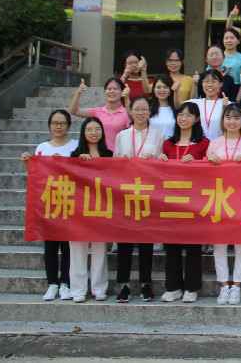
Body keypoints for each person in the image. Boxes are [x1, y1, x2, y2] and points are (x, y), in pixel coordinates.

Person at [20, 109, 78, 301]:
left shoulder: (75, 146)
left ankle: (66, 283)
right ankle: (52, 283)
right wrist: (27, 163)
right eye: (55, 123)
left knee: (68, 246)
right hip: (48, 202)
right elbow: (35, 174)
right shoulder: (42, 147)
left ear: (68, 126)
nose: (58, 126)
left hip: (70, 201)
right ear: (49, 126)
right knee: (50, 245)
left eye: (62, 123)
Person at [112, 96, 163, 303]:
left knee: (146, 241)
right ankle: (123, 284)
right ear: (130, 112)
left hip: (148, 192)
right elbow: (114, 163)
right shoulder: (122, 135)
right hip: (125, 193)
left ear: (149, 112)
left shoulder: (158, 134)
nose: (141, 113)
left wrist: (155, 160)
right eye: (137, 109)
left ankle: (145, 283)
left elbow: (162, 163)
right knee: (124, 241)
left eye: (144, 109)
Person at [158, 102, 209, 303]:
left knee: (193, 247)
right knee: (172, 247)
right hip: (170, 201)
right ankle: (173, 287)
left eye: (188, 115)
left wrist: (198, 163)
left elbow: (211, 169)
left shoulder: (203, 143)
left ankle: (191, 287)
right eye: (180, 114)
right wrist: (160, 160)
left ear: (196, 119)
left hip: (194, 201)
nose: (183, 118)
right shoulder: (168, 144)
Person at [208, 103, 241, 305]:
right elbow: (203, 173)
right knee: (219, 244)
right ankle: (223, 285)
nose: (232, 122)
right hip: (218, 198)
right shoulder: (214, 143)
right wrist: (209, 161)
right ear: (222, 121)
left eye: (236, 118)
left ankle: (236, 285)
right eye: (228, 117)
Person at [68, 117, 111, 303]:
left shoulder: (109, 155)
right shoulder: (75, 155)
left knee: (100, 250)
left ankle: (99, 288)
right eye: (90, 129)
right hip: (79, 209)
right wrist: (80, 163)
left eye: (97, 129)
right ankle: (78, 289)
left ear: (102, 132)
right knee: (77, 250)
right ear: (83, 133)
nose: (94, 132)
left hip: (102, 207)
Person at [68, 77, 130, 152]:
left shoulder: (126, 112)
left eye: (115, 89)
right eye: (109, 89)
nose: (112, 91)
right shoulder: (97, 111)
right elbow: (74, 111)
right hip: (99, 155)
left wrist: (127, 98)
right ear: (104, 92)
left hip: (118, 155)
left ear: (122, 92)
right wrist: (78, 93)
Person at [186, 70, 227, 141]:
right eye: (206, 81)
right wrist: (194, 84)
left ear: (221, 84)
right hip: (198, 145)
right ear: (201, 83)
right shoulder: (195, 103)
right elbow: (177, 107)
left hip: (220, 145)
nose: (209, 85)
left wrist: (225, 108)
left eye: (214, 81)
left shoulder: (227, 104)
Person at [148, 76, 176, 141]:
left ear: (170, 90)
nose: (162, 90)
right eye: (158, 87)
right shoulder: (148, 109)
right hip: (152, 145)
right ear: (153, 90)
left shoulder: (177, 109)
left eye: (165, 87)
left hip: (171, 145)